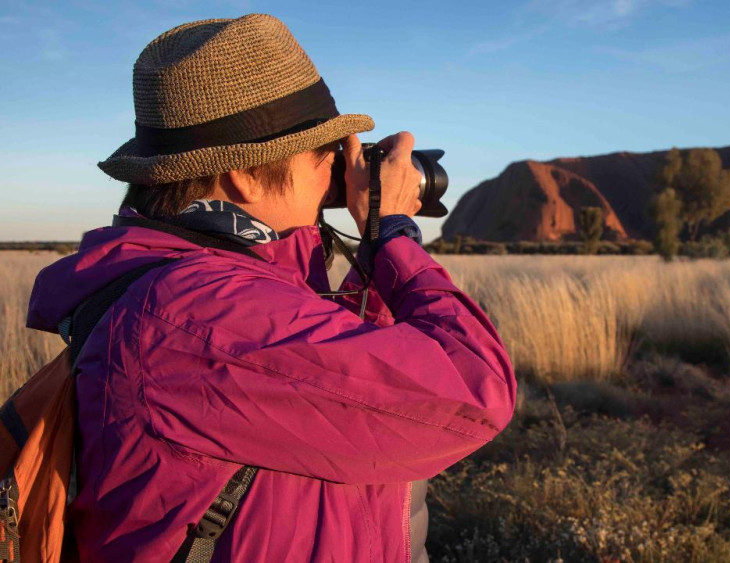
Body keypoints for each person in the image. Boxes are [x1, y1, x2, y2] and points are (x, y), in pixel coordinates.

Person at [25, 13, 516, 562]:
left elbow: (361, 384)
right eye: (321, 152)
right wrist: (392, 233)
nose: (339, 167)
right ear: (244, 176)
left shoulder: (217, 290)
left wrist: (371, 255)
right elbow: (474, 396)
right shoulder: (197, 314)